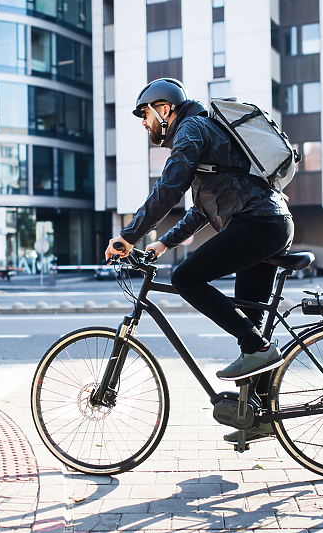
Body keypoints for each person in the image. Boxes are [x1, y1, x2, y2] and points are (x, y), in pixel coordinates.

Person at [104, 77, 294, 403]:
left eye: (145, 115)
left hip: (257, 224)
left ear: (165, 109)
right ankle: (258, 411)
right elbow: (202, 209)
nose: (144, 124)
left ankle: (259, 348)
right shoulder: (206, 132)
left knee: (185, 278)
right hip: (270, 223)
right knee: (248, 322)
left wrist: (127, 236)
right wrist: (162, 243)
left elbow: (169, 187)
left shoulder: (191, 129)